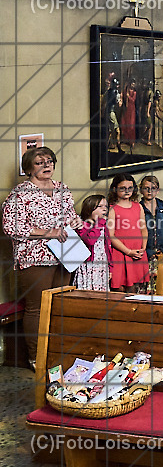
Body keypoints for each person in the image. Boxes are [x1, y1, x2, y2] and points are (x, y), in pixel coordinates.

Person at [2, 147, 82, 366]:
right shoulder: (20, 193)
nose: (46, 165)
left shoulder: (62, 189)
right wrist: (49, 233)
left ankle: (57, 351)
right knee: (37, 307)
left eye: (49, 161)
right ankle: (37, 357)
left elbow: (71, 215)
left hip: (65, 252)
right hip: (35, 256)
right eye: (39, 163)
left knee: (60, 303)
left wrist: (75, 222)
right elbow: (11, 227)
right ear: (28, 168)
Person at [107, 173, 150, 293]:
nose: (127, 191)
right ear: (115, 189)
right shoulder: (112, 209)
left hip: (138, 252)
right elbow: (111, 235)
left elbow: (143, 228)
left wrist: (143, 248)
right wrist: (128, 252)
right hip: (121, 253)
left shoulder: (138, 207)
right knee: (120, 287)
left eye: (130, 188)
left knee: (135, 287)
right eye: (122, 188)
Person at [74, 195, 111, 292]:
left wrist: (110, 267)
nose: (104, 209)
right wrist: (99, 223)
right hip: (88, 266)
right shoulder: (82, 225)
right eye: (100, 206)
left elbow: (107, 247)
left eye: (106, 206)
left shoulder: (102, 226)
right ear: (89, 208)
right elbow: (90, 240)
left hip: (102, 266)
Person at [140, 175, 163, 263]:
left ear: (158, 190)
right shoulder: (138, 208)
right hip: (145, 253)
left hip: (161, 252)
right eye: (146, 188)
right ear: (141, 190)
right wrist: (146, 251)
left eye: (153, 188)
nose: (149, 191)